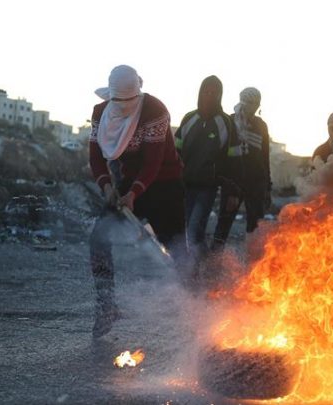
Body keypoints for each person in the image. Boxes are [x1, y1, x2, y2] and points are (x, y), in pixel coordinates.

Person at [88, 65, 185, 337]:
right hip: (126, 183)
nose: (124, 106)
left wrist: (134, 194)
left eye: (130, 101)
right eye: (118, 102)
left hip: (165, 184)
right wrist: (107, 187)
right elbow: (96, 157)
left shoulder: (154, 110)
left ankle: (195, 310)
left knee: (178, 249)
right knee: (98, 239)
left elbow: (153, 162)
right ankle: (106, 306)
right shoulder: (100, 113)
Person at [174, 76, 243, 267]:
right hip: (186, 184)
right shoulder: (189, 119)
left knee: (195, 227)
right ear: (200, 92)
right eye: (206, 91)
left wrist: (234, 193)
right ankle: (201, 268)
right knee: (188, 230)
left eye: (214, 92)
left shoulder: (226, 123)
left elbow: (235, 162)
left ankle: (198, 272)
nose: (209, 96)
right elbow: (175, 152)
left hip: (208, 187)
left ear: (220, 95)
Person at [212, 87, 271, 250]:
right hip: (234, 184)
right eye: (250, 102)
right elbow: (222, 155)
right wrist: (225, 182)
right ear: (242, 101)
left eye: (256, 103)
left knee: (256, 229)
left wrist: (268, 187)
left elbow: (265, 157)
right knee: (224, 224)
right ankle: (212, 263)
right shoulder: (230, 122)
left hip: (256, 183)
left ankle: (254, 265)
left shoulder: (261, 125)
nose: (253, 106)